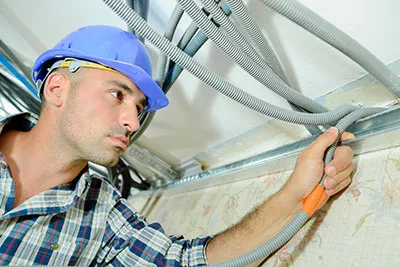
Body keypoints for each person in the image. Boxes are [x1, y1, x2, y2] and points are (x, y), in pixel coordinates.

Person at [0, 25, 354, 266]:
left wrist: (295, 192)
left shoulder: (103, 214)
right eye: (117, 94)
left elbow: (190, 262)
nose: (134, 122)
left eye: (139, 107)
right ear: (57, 89)